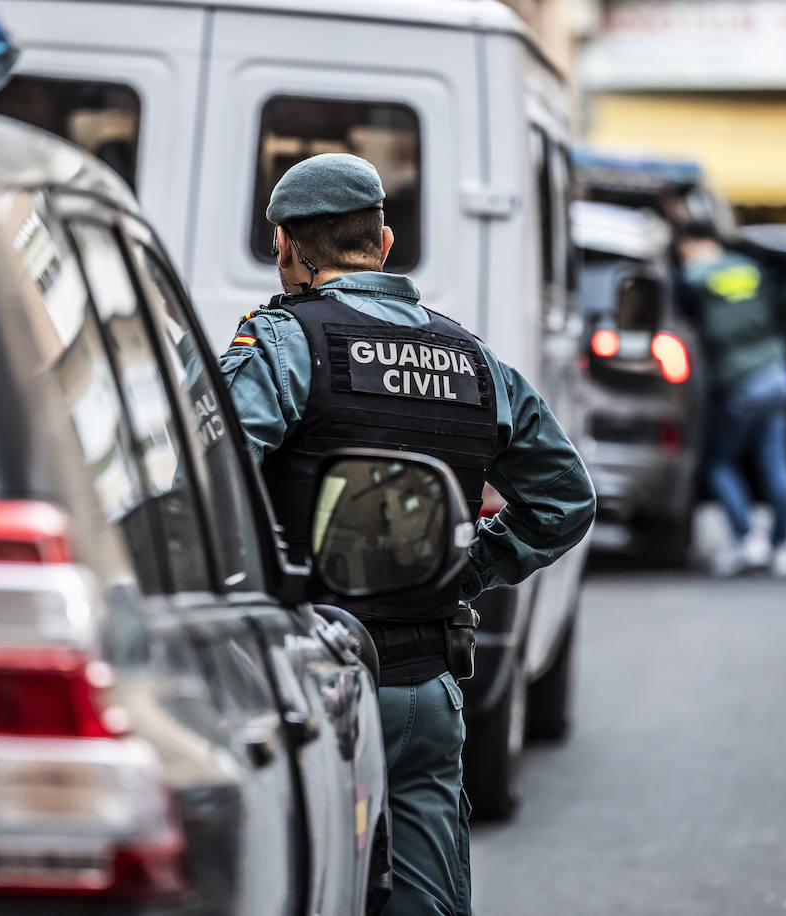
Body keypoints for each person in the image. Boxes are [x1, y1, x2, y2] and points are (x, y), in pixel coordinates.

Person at [219, 153, 595, 916]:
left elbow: (209, 475)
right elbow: (564, 503)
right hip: (427, 687)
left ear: (285, 245)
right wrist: (459, 572)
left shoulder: (286, 343)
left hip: (311, 680)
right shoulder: (475, 361)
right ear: (385, 245)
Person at [677, 223, 786, 578]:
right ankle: (783, 546)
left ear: (695, 243)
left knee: (719, 464)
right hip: (778, 376)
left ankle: (748, 538)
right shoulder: (749, 268)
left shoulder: (693, 277)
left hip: (741, 385)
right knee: (777, 462)